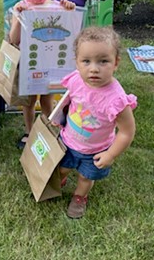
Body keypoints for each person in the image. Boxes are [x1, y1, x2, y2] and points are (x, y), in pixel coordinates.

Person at [58, 26, 137, 219]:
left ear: (116, 62)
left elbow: (127, 132)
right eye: (86, 61)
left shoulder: (116, 100)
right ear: (76, 62)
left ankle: (79, 197)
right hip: (68, 141)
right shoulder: (76, 80)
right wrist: (58, 117)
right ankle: (60, 180)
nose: (94, 68)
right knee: (61, 168)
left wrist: (110, 154)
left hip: (96, 150)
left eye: (103, 61)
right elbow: (68, 100)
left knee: (85, 177)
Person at [9, 0, 76, 149]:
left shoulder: (58, 7)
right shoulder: (20, 8)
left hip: (49, 65)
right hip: (28, 65)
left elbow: (70, 33)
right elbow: (14, 40)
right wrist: (18, 15)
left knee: (47, 100)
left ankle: (48, 130)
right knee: (28, 103)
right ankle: (30, 132)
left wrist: (69, 11)